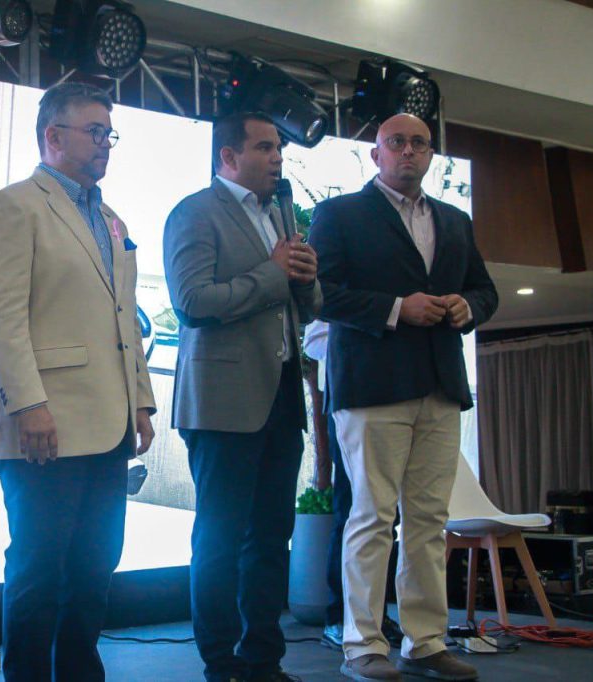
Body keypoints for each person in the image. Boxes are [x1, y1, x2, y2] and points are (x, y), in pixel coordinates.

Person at [0, 82, 156, 682]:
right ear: (53, 136)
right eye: (94, 131)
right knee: (39, 569)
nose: (105, 143)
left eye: (109, 133)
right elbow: (0, 316)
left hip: (109, 422)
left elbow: (124, 320)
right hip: (45, 420)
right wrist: (28, 404)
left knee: (95, 566)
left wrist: (141, 402)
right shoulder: (13, 205)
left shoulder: (108, 217)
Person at [308, 113, 497, 682]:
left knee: (429, 520)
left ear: (431, 154)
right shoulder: (339, 214)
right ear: (377, 154)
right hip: (371, 385)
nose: (408, 151)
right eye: (397, 142)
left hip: (440, 384)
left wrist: (467, 307)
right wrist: (396, 308)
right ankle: (362, 644)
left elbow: (484, 290)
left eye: (419, 143)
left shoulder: (455, 221)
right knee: (371, 517)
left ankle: (425, 642)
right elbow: (319, 293)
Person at [162, 111, 321, 682]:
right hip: (222, 401)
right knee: (221, 539)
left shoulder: (279, 214)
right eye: (264, 147)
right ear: (228, 156)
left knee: (272, 538)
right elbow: (193, 303)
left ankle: (263, 659)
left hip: (281, 396)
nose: (277, 157)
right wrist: (276, 273)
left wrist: (307, 279)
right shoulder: (195, 212)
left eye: (279, 148)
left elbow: (303, 308)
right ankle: (221, 661)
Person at [301, 321, 403, 652]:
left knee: (387, 517)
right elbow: (313, 342)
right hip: (349, 402)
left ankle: (376, 616)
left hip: (392, 404)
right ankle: (338, 617)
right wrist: (361, 340)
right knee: (350, 514)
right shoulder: (341, 293)